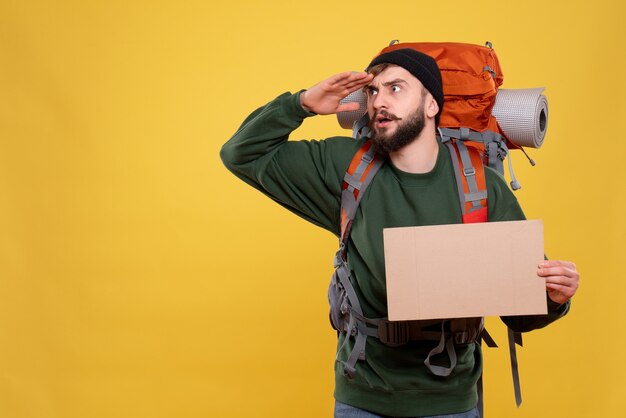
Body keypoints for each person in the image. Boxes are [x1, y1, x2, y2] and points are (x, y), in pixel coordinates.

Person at [220, 49, 579, 418]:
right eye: (373, 91)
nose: (379, 102)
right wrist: (302, 104)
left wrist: (553, 296)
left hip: (450, 401)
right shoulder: (347, 169)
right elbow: (240, 154)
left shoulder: (481, 187)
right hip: (363, 396)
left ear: (430, 105)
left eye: (395, 88)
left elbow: (521, 316)